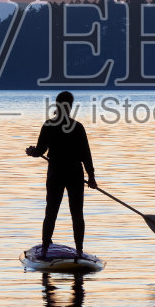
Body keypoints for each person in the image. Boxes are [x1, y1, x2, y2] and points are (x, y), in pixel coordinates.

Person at [25, 90, 97, 258]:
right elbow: (86, 155)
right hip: (74, 173)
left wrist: (32, 151)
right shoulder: (77, 127)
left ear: (56, 105)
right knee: (77, 213)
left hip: (56, 172)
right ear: (70, 107)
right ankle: (79, 251)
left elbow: (40, 151)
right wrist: (91, 177)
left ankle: (44, 249)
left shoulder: (48, 125)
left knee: (51, 211)